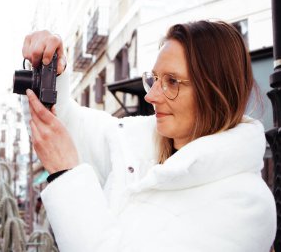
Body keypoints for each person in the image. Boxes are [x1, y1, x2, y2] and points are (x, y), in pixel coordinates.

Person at [21, 20, 277, 252]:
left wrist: (66, 174)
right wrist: (53, 71)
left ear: (215, 91)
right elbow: (74, 129)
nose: (150, 96)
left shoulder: (245, 205)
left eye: (172, 81)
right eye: (153, 79)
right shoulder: (139, 144)